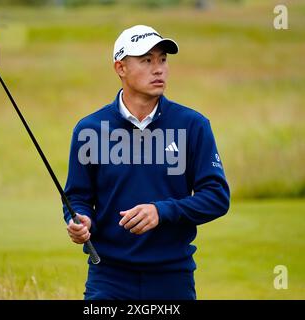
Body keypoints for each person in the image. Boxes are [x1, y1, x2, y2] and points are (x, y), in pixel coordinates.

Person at [63, 25, 230, 300]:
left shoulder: (193, 125)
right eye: (146, 60)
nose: (159, 69)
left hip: (172, 277)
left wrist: (161, 211)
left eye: (162, 59)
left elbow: (216, 197)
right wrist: (79, 220)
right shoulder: (89, 130)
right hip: (108, 277)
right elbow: (77, 196)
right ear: (121, 68)